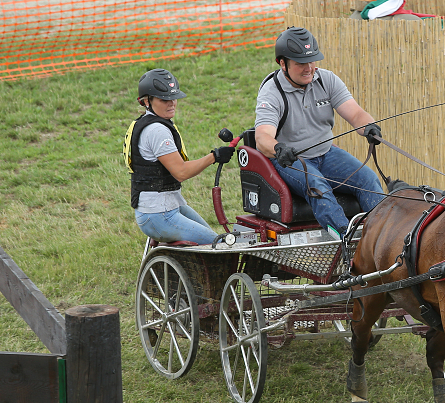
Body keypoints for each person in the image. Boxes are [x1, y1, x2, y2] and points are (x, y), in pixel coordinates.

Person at [254, 27, 385, 236]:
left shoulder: (326, 79)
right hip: (291, 160)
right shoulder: (272, 92)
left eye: (312, 61)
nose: (309, 68)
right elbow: (262, 137)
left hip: (327, 154)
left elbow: (356, 114)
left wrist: (369, 126)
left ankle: (384, 236)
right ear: (282, 63)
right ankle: (346, 241)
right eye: (300, 63)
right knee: (317, 187)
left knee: (368, 179)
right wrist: (278, 148)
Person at [125, 68, 234, 245]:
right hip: (158, 215)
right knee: (219, 245)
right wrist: (214, 156)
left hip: (163, 208)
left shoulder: (146, 123)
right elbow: (181, 172)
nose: (171, 103)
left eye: (173, 98)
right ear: (146, 101)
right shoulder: (157, 130)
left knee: (216, 240)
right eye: (164, 99)